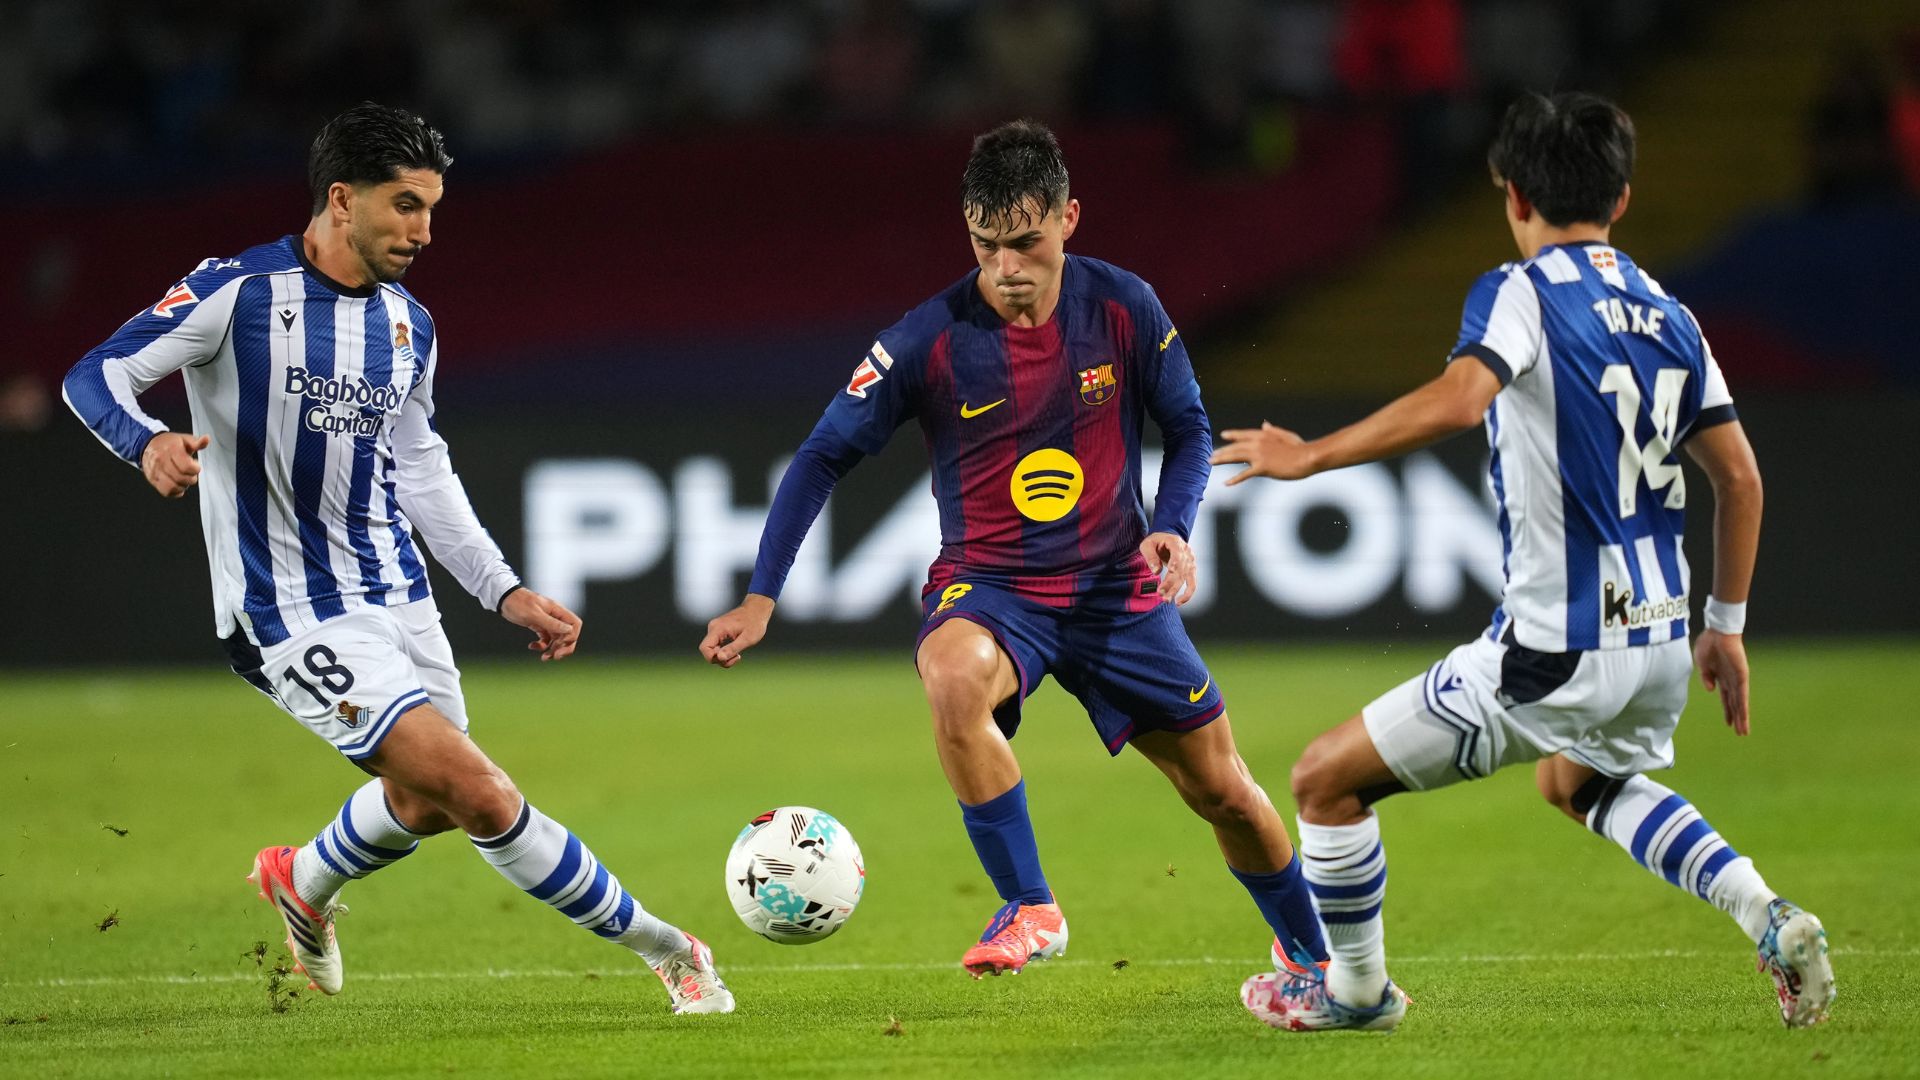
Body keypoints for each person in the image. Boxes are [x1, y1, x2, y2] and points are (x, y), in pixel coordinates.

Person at [62, 102, 732, 1015]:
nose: (423, 231)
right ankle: (671, 948)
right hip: (285, 608)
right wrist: (144, 443)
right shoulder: (237, 294)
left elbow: (421, 470)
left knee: (425, 804)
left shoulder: (409, 325)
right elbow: (96, 374)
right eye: (405, 205)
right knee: (483, 795)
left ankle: (301, 880)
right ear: (341, 199)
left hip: (396, 596)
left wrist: (503, 590)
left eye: (432, 208)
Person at [1212, 91, 1836, 1031]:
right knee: (1574, 780)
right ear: (1621, 198)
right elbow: (1740, 480)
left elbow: (1465, 398)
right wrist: (1727, 629)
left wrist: (1310, 456)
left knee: (1321, 781)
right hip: (1663, 639)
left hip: (1556, 648)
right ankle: (1766, 912)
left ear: (1511, 196)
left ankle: (1355, 995)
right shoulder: (1672, 317)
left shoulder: (1522, 290)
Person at [700, 119, 1328, 979]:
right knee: (953, 674)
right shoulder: (925, 340)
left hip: (1114, 587)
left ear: (1070, 218)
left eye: (1026, 243)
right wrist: (762, 593)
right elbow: (820, 455)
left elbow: (1187, 428)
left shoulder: (1124, 307)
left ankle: (1317, 957)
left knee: (1222, 790)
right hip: (993, 589)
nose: (1006, 267)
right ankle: (1030, 906)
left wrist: (1173, 524)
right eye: (986, 244)